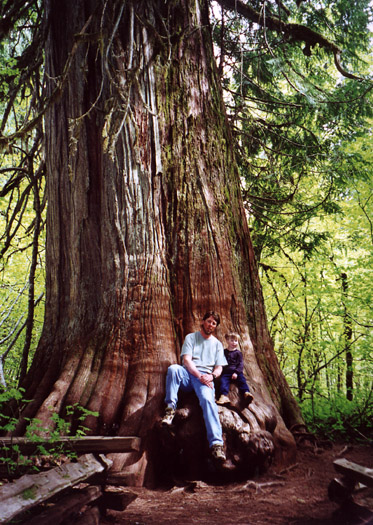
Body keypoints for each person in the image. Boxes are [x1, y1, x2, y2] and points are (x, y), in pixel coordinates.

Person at [161, 311, 227, 461]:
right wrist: (199, 376)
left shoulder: (217, 344)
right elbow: (187, 360)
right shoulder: (191, 338)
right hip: (189, 374)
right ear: (203, 321)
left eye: (214, 323)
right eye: (209, 321)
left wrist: (211, 376)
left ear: (215, 327)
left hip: (205, 378)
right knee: (173, 369)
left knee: (208, 401)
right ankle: (170, 410)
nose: (210, 325)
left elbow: (219, 367)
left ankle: (216, 445)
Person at [216, 331, 253, 405]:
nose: (234, 343)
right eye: (232, 340)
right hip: (226, 372)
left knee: (242, 380)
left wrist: (236, 372)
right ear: (227, 340)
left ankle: (246, 392)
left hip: (236, 372)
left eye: (236, 341)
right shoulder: (224, 352)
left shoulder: (238, 353)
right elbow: (220, 362)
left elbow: (240, 364)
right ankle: (223, 396)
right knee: (223, 381)